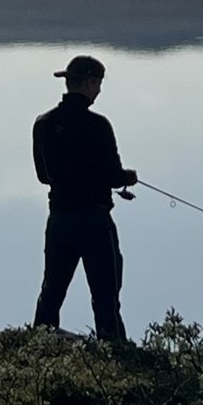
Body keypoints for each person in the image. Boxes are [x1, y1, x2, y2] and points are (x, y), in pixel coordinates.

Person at [32, 55, 137, 341]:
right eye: (98, 84)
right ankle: (114, 350)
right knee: (106, 292)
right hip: (94, 220)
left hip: (60, 219)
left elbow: (44, 176)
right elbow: (113, 175)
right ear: (90, 82)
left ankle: (39, 344)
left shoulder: (43, 124)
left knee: (52, 290)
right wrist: (127, 177)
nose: (99, 90)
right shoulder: (98, 125)